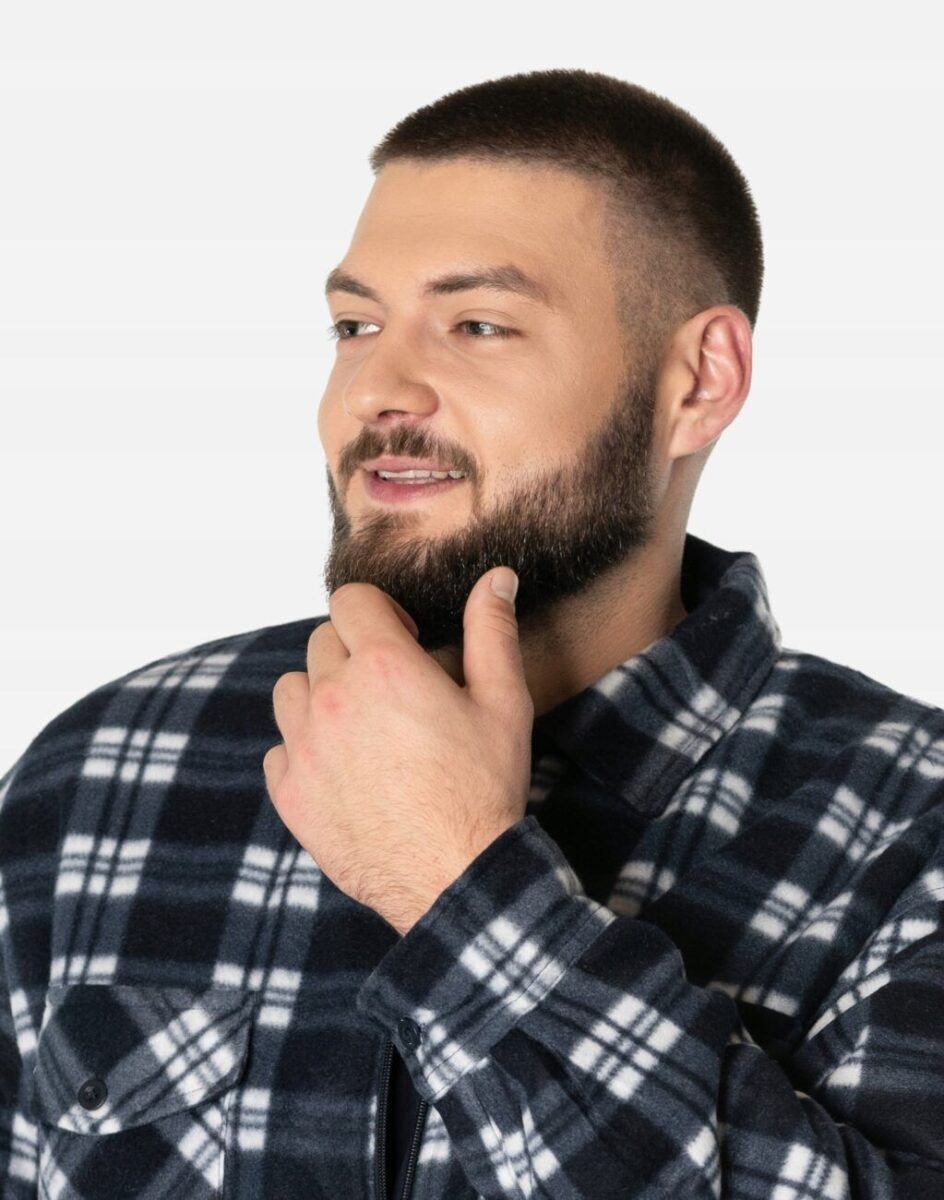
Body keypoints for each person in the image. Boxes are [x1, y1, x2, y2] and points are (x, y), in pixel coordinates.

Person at [1, 66, 942, 1200]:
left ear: (697, 381)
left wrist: (458, 881)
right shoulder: (104, 769)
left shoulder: (914, 833)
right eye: (355, 325)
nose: (375, 391)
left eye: (477, 325)